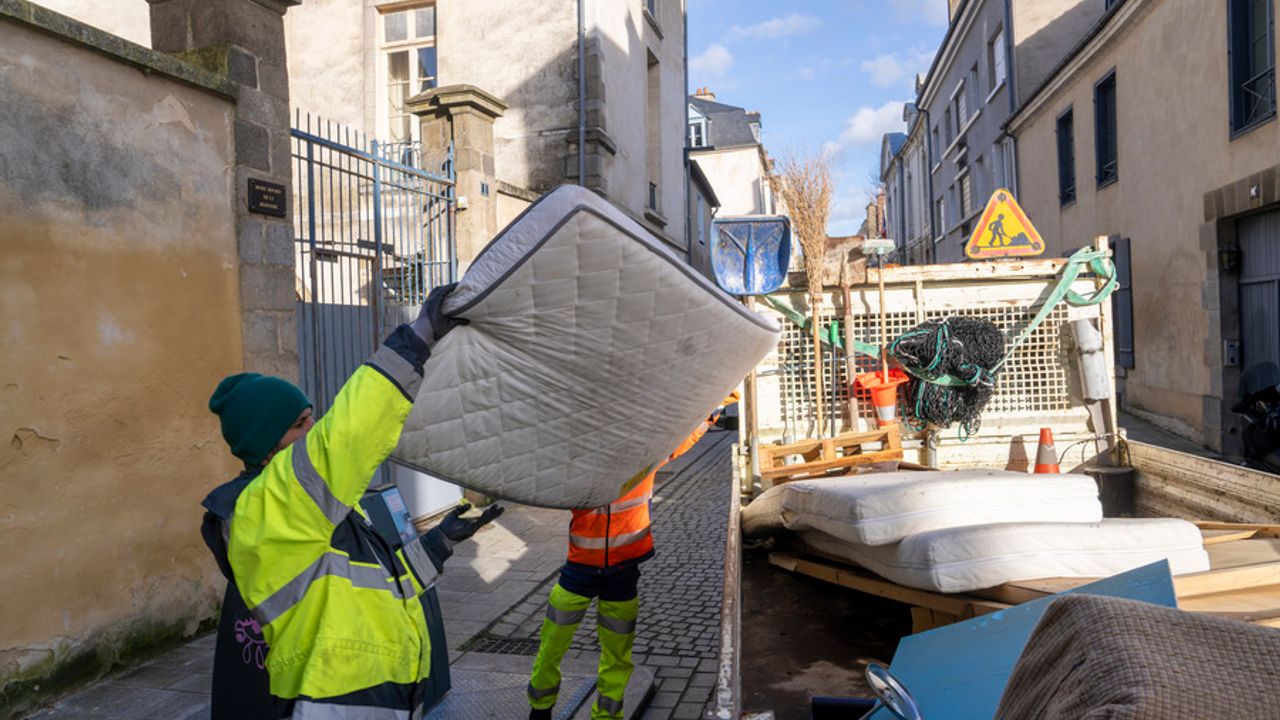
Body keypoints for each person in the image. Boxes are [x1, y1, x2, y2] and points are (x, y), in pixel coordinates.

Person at [200, 283, 503, 719]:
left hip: (375, 698)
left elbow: (374, 584)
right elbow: (349, 433)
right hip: (333, 703)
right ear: (267, 445)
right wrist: (416, 340)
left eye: (310, 418)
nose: (313, 429)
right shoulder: (267, 508)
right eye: (300, 425)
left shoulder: (311, 510)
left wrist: (437, 545)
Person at [526, 393, 739, 720]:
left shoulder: (644, 459)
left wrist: (722, 396)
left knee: (617, 658)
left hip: (621, 577)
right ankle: (540, 710)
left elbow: (690, 432)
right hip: (577, 575)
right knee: (551, 647)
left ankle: (607, 717)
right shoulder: (577, 466)